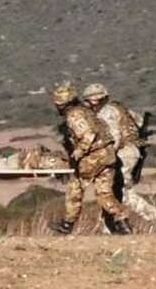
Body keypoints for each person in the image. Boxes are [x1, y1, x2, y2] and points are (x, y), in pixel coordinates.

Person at [48, 83, 132, 235]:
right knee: (104, 193)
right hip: (107, 155)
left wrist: (79, 151)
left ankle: (67, 224)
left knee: (75, 189)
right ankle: (122, 222)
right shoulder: (86, 111)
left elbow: (88, 135)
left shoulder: (74, 115)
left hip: (93, 157)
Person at [81, 83, 156, 228]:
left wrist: (104, 157)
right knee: (110, 190)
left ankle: (153, 216)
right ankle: (110, 227)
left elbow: (114, 138)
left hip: (123, 154)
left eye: (90, 101)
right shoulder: (120, 108)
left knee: (120, 191)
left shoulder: (106, 113)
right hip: (132, 151)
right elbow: (139, 123)